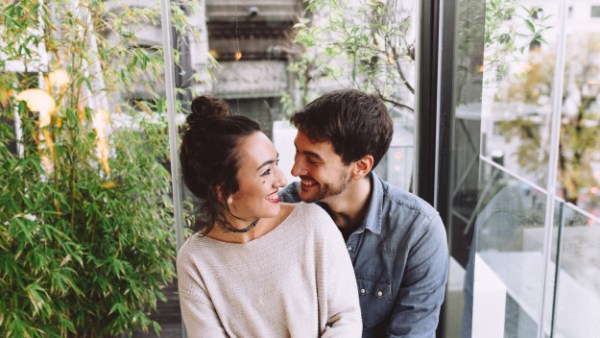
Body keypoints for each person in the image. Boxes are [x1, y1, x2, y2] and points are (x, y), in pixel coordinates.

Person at [176, 96, 362, 338]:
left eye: (277, 163)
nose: (282, 180)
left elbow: (345, 321)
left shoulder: (312, 224)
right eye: (266, 171)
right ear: (223, 191)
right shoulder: (195, 260)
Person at [279, 89, 449, 338]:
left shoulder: (419, 231)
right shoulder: (281, 211)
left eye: (313, 160)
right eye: (297, 152)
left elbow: (412, 334)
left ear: (361, 166)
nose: (295, 169)